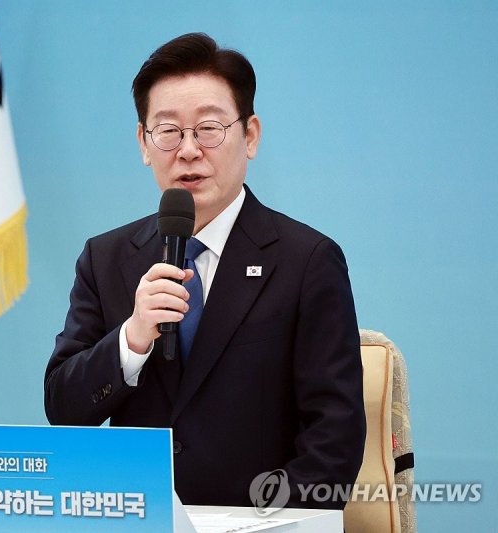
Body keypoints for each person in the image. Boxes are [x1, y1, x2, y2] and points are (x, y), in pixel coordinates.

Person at [44, 32, 365, 509]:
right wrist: (132, 339)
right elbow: (63, 410)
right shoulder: (106, 257)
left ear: (250, 136)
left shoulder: (307, 261)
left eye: (209, 128)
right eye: (168, 131)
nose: (189, 150)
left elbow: (333, 442)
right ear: (144, 143)